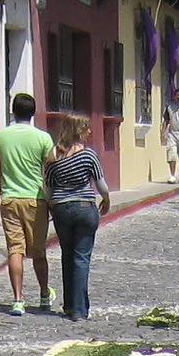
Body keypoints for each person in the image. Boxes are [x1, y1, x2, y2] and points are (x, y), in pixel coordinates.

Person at [0, 91, 54, 316]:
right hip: (35, 199)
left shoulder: (0, 137)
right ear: (33, 112)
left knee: (15, 250)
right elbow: (51, 171)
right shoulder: (43, 138)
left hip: (10, 198)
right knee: (38, 251)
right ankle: (44, 294)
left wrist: (0, 193)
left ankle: (18, 299)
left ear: (13, 111)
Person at [43, 113, 111, 320]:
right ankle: (80, 310)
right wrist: (106, 199)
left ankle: (70, 305)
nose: (90, 132)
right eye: (86, 128)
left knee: (67, 255)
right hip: (84, 208)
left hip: (62, 209)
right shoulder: (88, 155)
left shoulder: (53, 157)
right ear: (78, 131)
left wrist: (51, 206)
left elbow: (48, 187)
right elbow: (101, 184)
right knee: (81, 257)